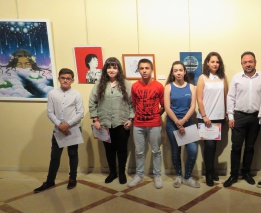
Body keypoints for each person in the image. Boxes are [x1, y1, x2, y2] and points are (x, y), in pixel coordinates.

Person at [34, 68, 84, 193]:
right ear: (58, 78)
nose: (65, 80)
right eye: (63, 78)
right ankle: (50, 181)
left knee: (73, 155)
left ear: (72, 80)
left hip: (73, 129)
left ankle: (72, 178)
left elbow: (80, 113)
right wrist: (60, 125)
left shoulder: (76, 94)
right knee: (55, 156)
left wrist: (67, 125)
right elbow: (50, 112)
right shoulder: (52, 94)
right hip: (58, 130)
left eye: (68, 78)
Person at [224, 51, 261, 187]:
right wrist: (230, 116)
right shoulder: (237, 78)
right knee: (236, 147)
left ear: (255, 62)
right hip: (239, 116)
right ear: (242, 64)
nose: (248, 64)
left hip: (256, 117)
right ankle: (233, 175)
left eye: (250, 61)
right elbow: (230, 97)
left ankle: (246, 173)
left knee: (250, 147)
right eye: (245, 62)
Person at [89, 57, 134, 185]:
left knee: (122, 150)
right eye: (109, 67)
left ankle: (121, 173)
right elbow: (92, 102)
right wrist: (95, 119)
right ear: (105, 69)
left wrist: (130, 119)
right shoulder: (99, 84)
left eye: (115, 67)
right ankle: (112, 172)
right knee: (109, 151)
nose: (112, 70)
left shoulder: (126, 84)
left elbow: (132, 104)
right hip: (104, 124)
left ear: (119, 69)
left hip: (122, 123)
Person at [129, 59, 165, 189]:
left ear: (151, 69)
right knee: (139, 151)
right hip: (138, 124)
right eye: (141, 68)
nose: (144, 71)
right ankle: (139, 175)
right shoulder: (135, 86)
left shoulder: (159, 86)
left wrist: (156, 114)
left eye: (147, 68)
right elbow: (133, 103)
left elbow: (164, 104)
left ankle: (157, 175)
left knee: (156, 150)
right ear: (138, 70)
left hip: (154, 124)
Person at [164, 61, 200, 188]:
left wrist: (183, 121)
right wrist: (177, 123)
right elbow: (167, 107)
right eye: (175, 70)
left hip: (188, 122)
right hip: (172, 124)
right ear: (172, 73)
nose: (178, 72)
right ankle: (178, 176)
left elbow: (192, 106)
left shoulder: (191, 87)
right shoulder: (168, 87)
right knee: (175, 151)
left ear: (185, 72)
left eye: (180, 70)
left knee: (192, 150)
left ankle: (187, 177)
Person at [196, 52, 228, 187]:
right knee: (208, 146)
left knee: (214, 146)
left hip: (219, 117)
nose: (215, 64)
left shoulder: (223, 77)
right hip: (206, 117)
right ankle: (208, 173)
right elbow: (199, 99)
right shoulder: (202, 78)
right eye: (212, 61)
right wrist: (204, 115)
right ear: (207, 63)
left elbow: (226, 96)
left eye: (217, 62)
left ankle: (212, 170)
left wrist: (227, 113)